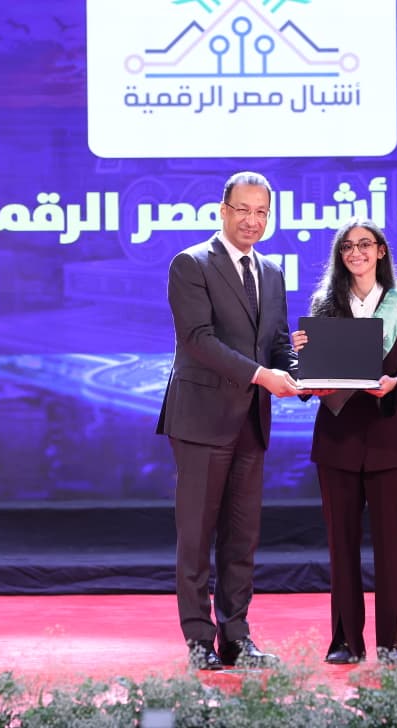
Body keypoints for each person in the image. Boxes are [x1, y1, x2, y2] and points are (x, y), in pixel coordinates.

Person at [156, 171, 300, 670]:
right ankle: (200, 641)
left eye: (261, 212)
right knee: (197, 537)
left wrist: (307, 376)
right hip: (201, 419)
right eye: (243, 210)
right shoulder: (191, 264)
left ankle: (236, 638)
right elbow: (198, 339)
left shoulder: (273, 271)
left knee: (242, 538)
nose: (252, 221)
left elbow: (278, 343)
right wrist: (262, 376)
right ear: (223, 211)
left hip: (251, 422)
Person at [291, 218, 397, 665]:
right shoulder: (324, 304)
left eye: (364, 245)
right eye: (347, 247)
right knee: (342, 547)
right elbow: (307, 377)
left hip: (389, 438)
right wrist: (301, 359)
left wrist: (396, 384)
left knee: (392, 548)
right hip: (338, 438)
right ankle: (345, 642)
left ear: (381, 251)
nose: (356, 253)